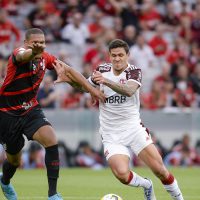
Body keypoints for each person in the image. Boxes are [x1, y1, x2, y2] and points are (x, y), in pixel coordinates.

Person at [54, 39, 184, 200]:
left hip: (133, 129)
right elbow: (84, 87)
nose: (117, 59)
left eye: (120, 55)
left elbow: (129, 90)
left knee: (160, 171)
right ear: (109, 56)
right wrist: (69, 80)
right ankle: (147, 185)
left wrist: (106, 81)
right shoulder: (102, 70)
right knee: (122, 175)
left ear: (127, 55)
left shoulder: (133, 71)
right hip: (111, 133)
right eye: (113, 55)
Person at [0, 28, 105, 200]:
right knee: (14, 161)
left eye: (42, 42)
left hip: (30, 109)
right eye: (35, 43)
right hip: (7, 114)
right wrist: (33, 51)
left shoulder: (46, 58)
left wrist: (91, 90)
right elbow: (22, 56)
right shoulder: (18, 53)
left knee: (51, 139)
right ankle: (4, 181)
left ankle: (53, 194)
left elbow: (70, 71)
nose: (40, 46)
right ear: (26, 43)